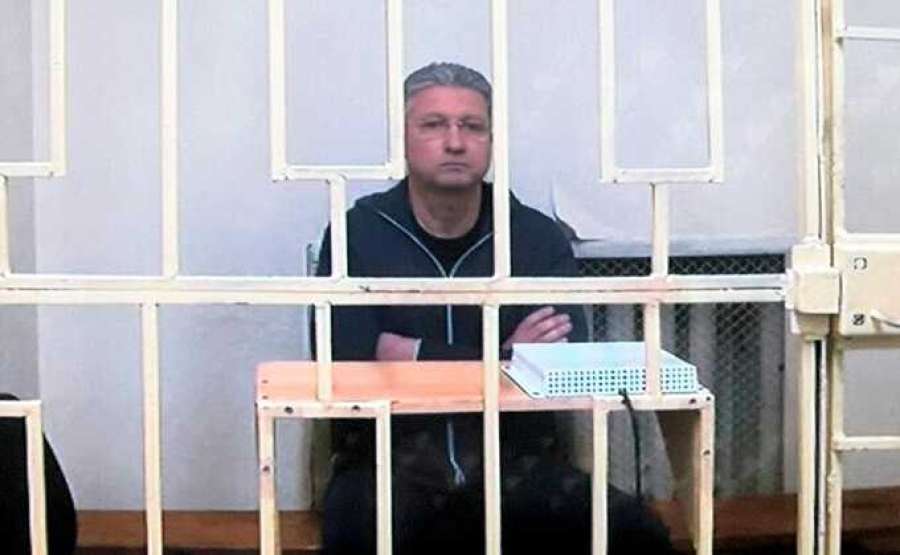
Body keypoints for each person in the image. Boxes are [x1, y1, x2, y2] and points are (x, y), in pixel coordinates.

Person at [313, 62, 673, 554]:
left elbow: (564, 357)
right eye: (434, 124)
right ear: (403, 139)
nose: (455, 142)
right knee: (361, 531)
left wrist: (406, 351)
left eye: (472, 126)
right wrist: (505, 358)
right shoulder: (359, 232)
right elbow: (345, 357)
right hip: (387, 461)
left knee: (636, 531)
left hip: (514, 462)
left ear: (490, 139)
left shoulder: (532, 236)